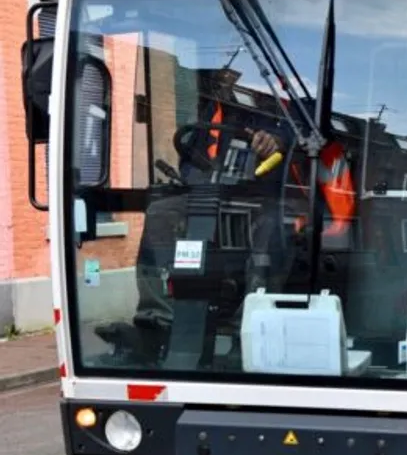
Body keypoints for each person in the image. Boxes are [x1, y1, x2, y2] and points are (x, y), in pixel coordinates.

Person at [97, 68, 295, 361]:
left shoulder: (286, 99)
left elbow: (296, 138)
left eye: (231, 76)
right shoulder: (214, 111)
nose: (227, 80)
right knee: (161, 211)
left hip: (266, 197)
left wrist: (276, 142)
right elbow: (190, 160)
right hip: (211, 195)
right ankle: (156, 322)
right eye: (222, 76)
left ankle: (249, 328)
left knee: (269, 226)